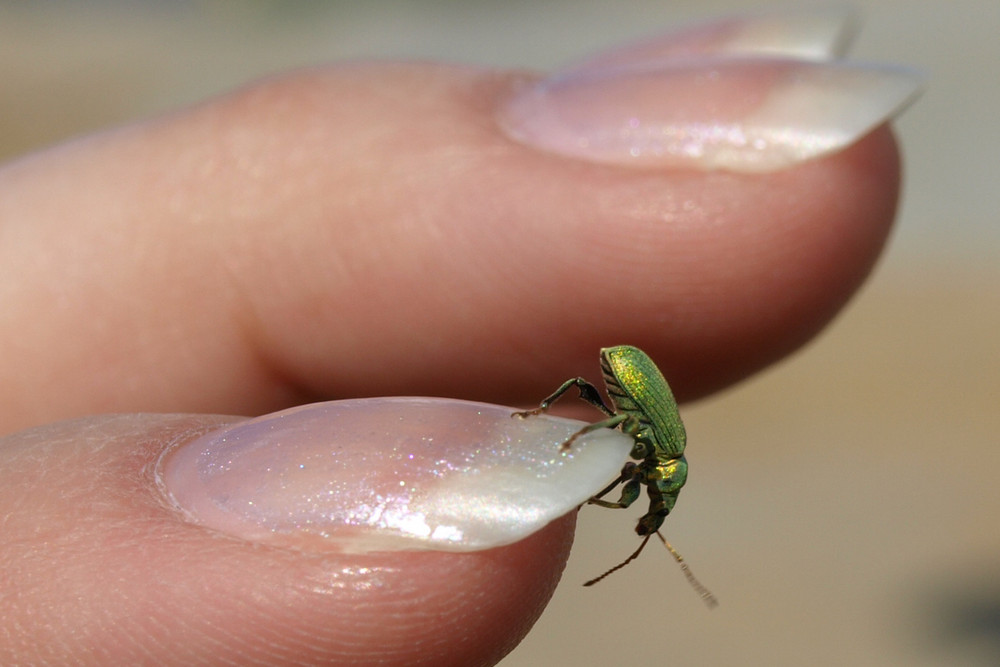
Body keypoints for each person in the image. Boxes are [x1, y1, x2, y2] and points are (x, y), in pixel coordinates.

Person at [0, 11, 919, 665]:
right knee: (569, 405)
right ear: (661, 477)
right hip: (621, 374)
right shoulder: (659, 448)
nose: (644, 508)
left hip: (626, 379)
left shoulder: (658, 464)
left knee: (581, 424)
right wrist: (587, 454)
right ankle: (541, 412)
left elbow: (623, 474)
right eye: (652, 512)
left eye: (650, 512)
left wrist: (625, 505)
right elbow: (625, 438)